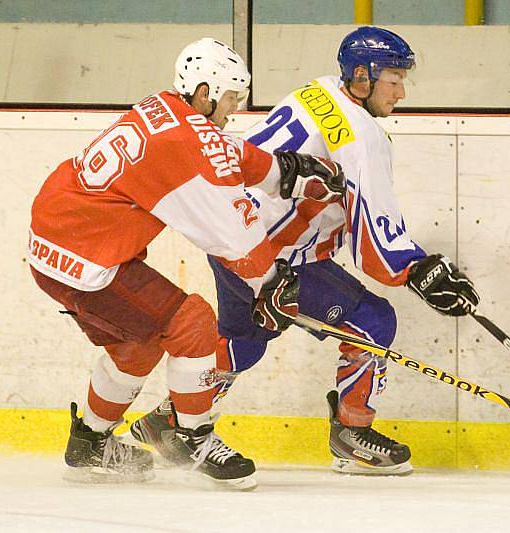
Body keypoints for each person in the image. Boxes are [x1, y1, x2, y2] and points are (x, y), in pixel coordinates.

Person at [132, 27, 479, 476]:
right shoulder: (361, 137)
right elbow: (376, 245)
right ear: (362, 75)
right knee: (373, 322)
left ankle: (172, 419)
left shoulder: (318, 90)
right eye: (394, 79)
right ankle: (352, 434)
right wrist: (418, 271)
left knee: (244, 340)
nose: (402, 91)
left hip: (230, 237)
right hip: (273, 257)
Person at [29, 37, 345, 487]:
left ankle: (89, 443)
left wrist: (285, 172)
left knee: (136, 344)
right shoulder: (187, 147)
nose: (234, 109)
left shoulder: (166, 109)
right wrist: (272, 282)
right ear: (204, 93)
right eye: (231, 98)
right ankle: (192, 437)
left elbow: (224, 152)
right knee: (193, 324)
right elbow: (231, 234)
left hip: (55, 245)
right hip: (87, 260)